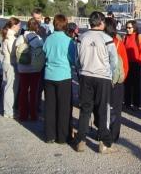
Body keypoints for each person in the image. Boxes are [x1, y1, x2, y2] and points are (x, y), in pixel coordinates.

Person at [73, 11, 118, 153]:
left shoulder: (81, 37)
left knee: (85, 109)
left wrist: (81, 71)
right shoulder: (107, 39)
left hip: (85, 76)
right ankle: (104, 142)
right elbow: (114, 61)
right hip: (102, 77)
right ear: (102, 23)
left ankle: (80, 140)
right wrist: (110, 74)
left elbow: (76, 59)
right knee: (103, 109)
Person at [42, 14, 76, 144]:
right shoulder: (68, 41)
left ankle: (50, 135)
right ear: (65, 24)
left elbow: (45, 54)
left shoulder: (48, 39)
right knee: (64, 107)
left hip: (49, 75)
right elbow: (72, 60)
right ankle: (62, 137)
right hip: (63, 76)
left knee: (50, 106)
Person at [104, 17, 129, 143]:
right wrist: (121, 78)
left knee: (103, 107)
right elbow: (125, 63)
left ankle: (102, 131)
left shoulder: (100, 41)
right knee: (116, 109)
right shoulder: (118, 42)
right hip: (117, 81)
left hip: (102, 78)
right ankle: (114, 134)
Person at [16, 18, 45, 121]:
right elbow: (43, 50)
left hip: (23, 68)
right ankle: (33, 115)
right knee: (33, 92)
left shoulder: (20, 37)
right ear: (37, 27)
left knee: (23, 91)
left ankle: (23, 115)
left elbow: (16, 48)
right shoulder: (38, 38)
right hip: (34, 69)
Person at [1, 17, 21, 118]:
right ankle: (8, 111)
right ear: (14, 26)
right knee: (10, 88)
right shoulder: (11, 37)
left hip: (7, 63)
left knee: (10, 87)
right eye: (18, 25)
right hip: (10, 64)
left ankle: (9, 110)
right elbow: (13, 52)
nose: (19, 27)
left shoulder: (8, 35)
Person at [123, 20, 141, 110]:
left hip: (136, 63)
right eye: (127, 28)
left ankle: (136, 104)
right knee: (127, 84)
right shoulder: (125, 37)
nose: (128, 29)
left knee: (136, 85)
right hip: (127, 63)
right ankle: (127, 103)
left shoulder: (139, 37)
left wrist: (139, 62)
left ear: (134, 28)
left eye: (129, 28)